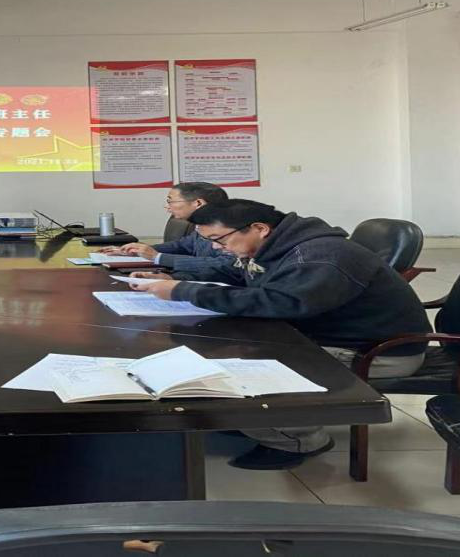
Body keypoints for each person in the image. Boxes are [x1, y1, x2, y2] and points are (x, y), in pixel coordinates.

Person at [128, 199, 431, 470]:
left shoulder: (320, 256)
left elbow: (281, 303)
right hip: (323, 336)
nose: (217, 248)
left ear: (259, 228)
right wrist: (174, 278)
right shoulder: (279, 245)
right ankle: (262, 421)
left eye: (219, 240)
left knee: (232, 369)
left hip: (377, 352)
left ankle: (297, 440)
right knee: (217, 346)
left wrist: (184, 291)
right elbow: (237, 273)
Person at [103, 182, 233, 271]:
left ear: (198, 203)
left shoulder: (230, 229)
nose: (167, 206)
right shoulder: (201, 225)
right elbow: (182, 246)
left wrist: (157, 257)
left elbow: (224, 264)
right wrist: (137, 251)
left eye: (170, 201)